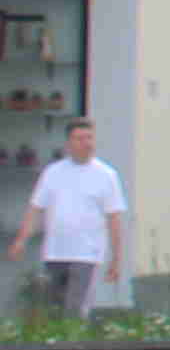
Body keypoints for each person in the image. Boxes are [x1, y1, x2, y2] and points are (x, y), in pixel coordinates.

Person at [13, 117, 126, 319]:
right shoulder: (53, 173)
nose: (86, 143)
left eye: (89, 138)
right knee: (52, 309)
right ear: (69, 143)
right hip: (55, 252)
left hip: (86, 254)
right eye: (79, 138)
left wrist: (116, 259)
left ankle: (75, 345)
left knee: (75, 309)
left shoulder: (106, 175)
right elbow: (36, 209)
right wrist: (22, 240)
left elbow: (114, 218)